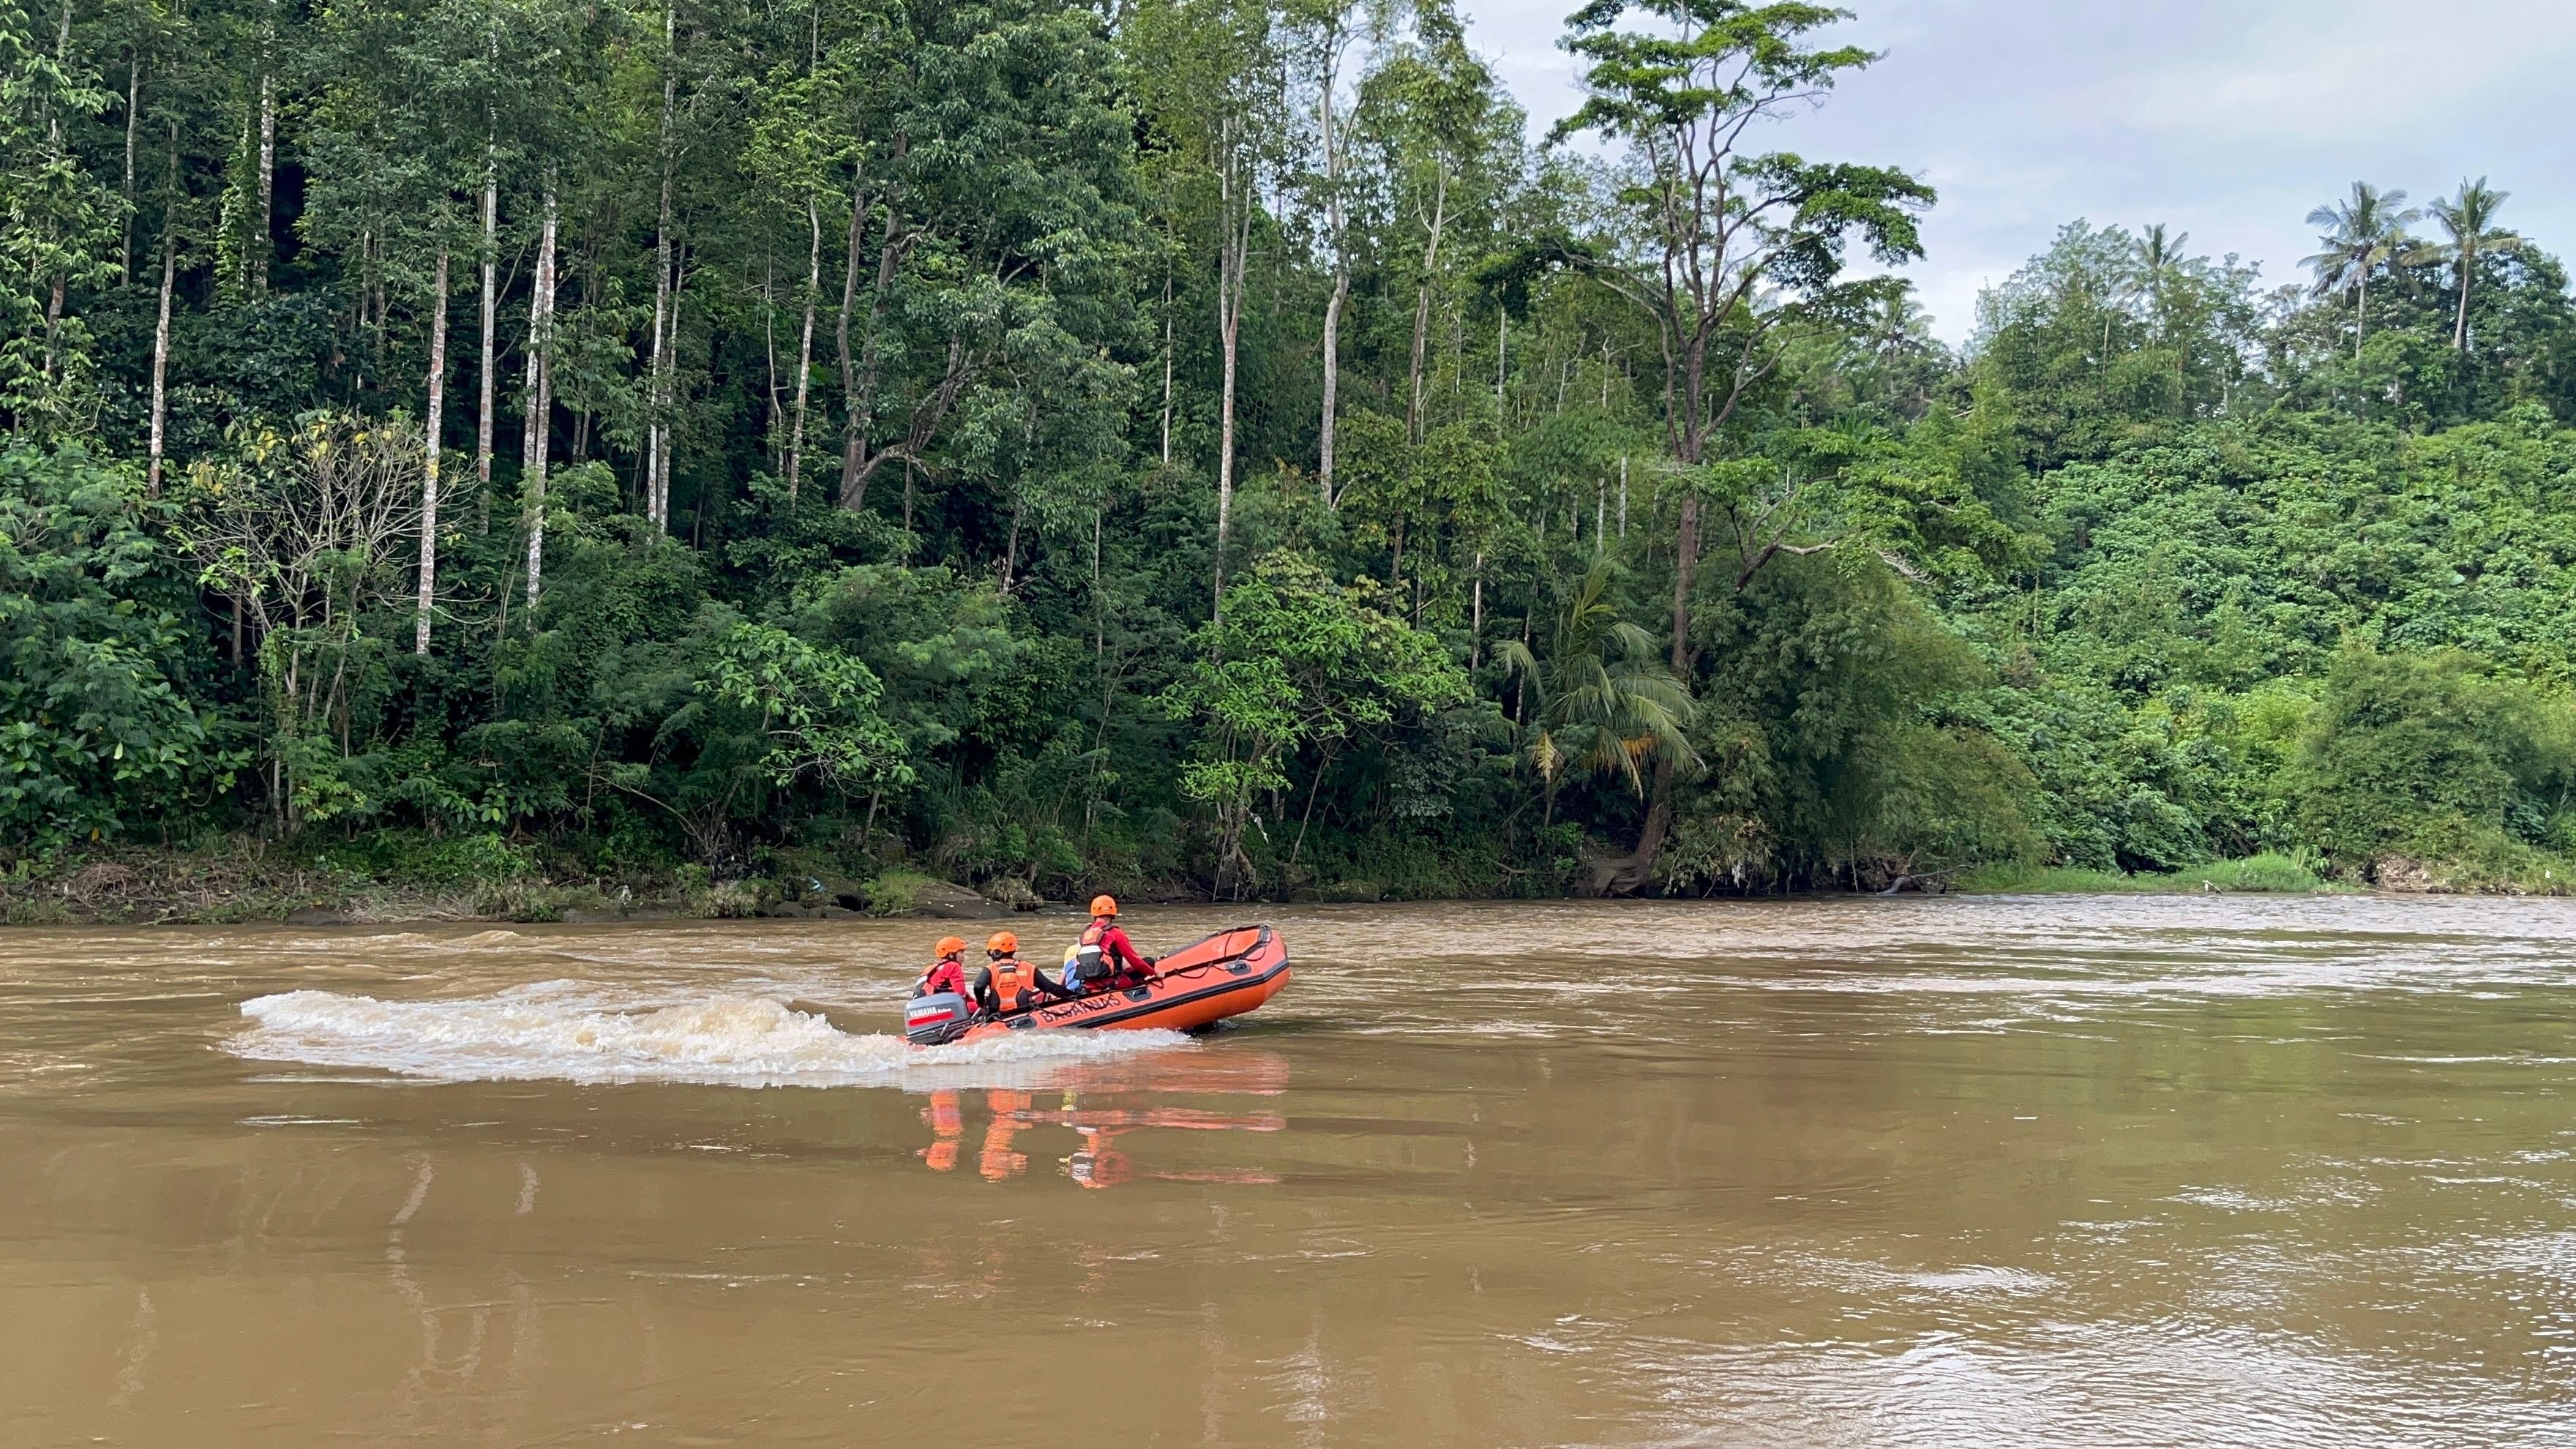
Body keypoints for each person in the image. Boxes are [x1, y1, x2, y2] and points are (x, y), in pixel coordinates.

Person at [973, 931, 1075, 1017]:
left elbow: (978, 986)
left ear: (997, 952)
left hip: (998, 1015)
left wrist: (981, 1003)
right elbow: (1052, 988)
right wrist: (1076, 996)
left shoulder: (990, 969)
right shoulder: (1029, 968)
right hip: (1025, 1014)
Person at [1068, 896, 1155, 992]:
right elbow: (1135, 961)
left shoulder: (1086, 933)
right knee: (1149, 961)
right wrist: (1154, 973)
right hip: (1112, 983)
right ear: (1113, 912)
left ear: (1094, 913)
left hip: (1088, 984)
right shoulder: (1115, 932)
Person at [915, 936, 971, 1000]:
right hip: (944, 1002)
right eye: (961, 953)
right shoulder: (953, 966)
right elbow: (960, 993)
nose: (964, 956)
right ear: (951, 955)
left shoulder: (933, 968)